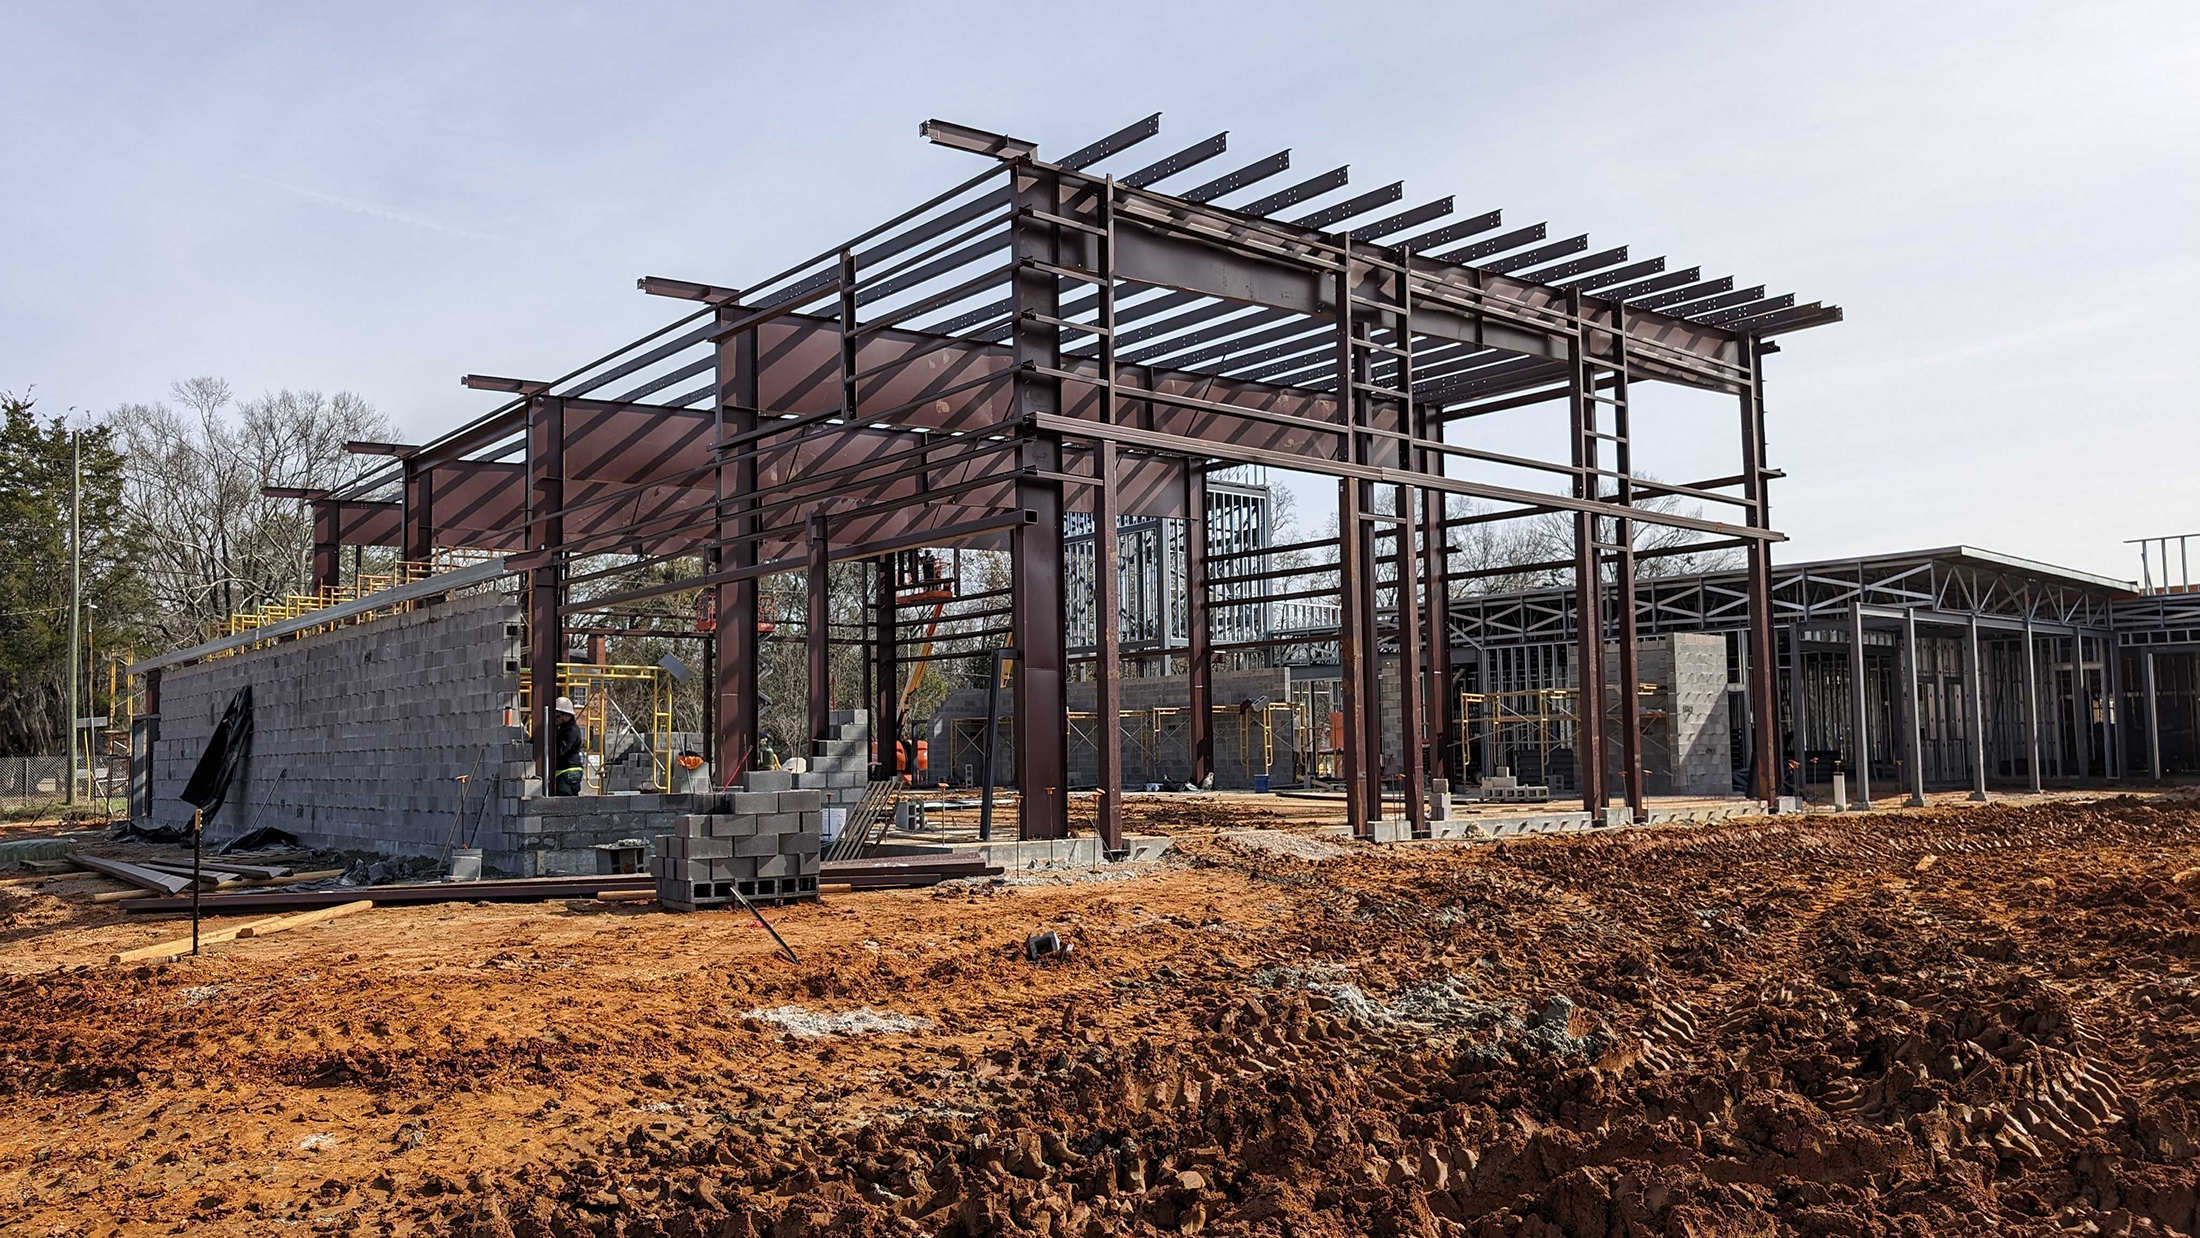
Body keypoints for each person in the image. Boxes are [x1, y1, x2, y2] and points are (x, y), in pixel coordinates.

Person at [548, 697, 586, 795]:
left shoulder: (571, 731)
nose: (555, 719)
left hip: (569, 771)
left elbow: (560, 750)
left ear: (566, 715)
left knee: (565, 805)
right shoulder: (563, 729)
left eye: (557, 716)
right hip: (565, 771)